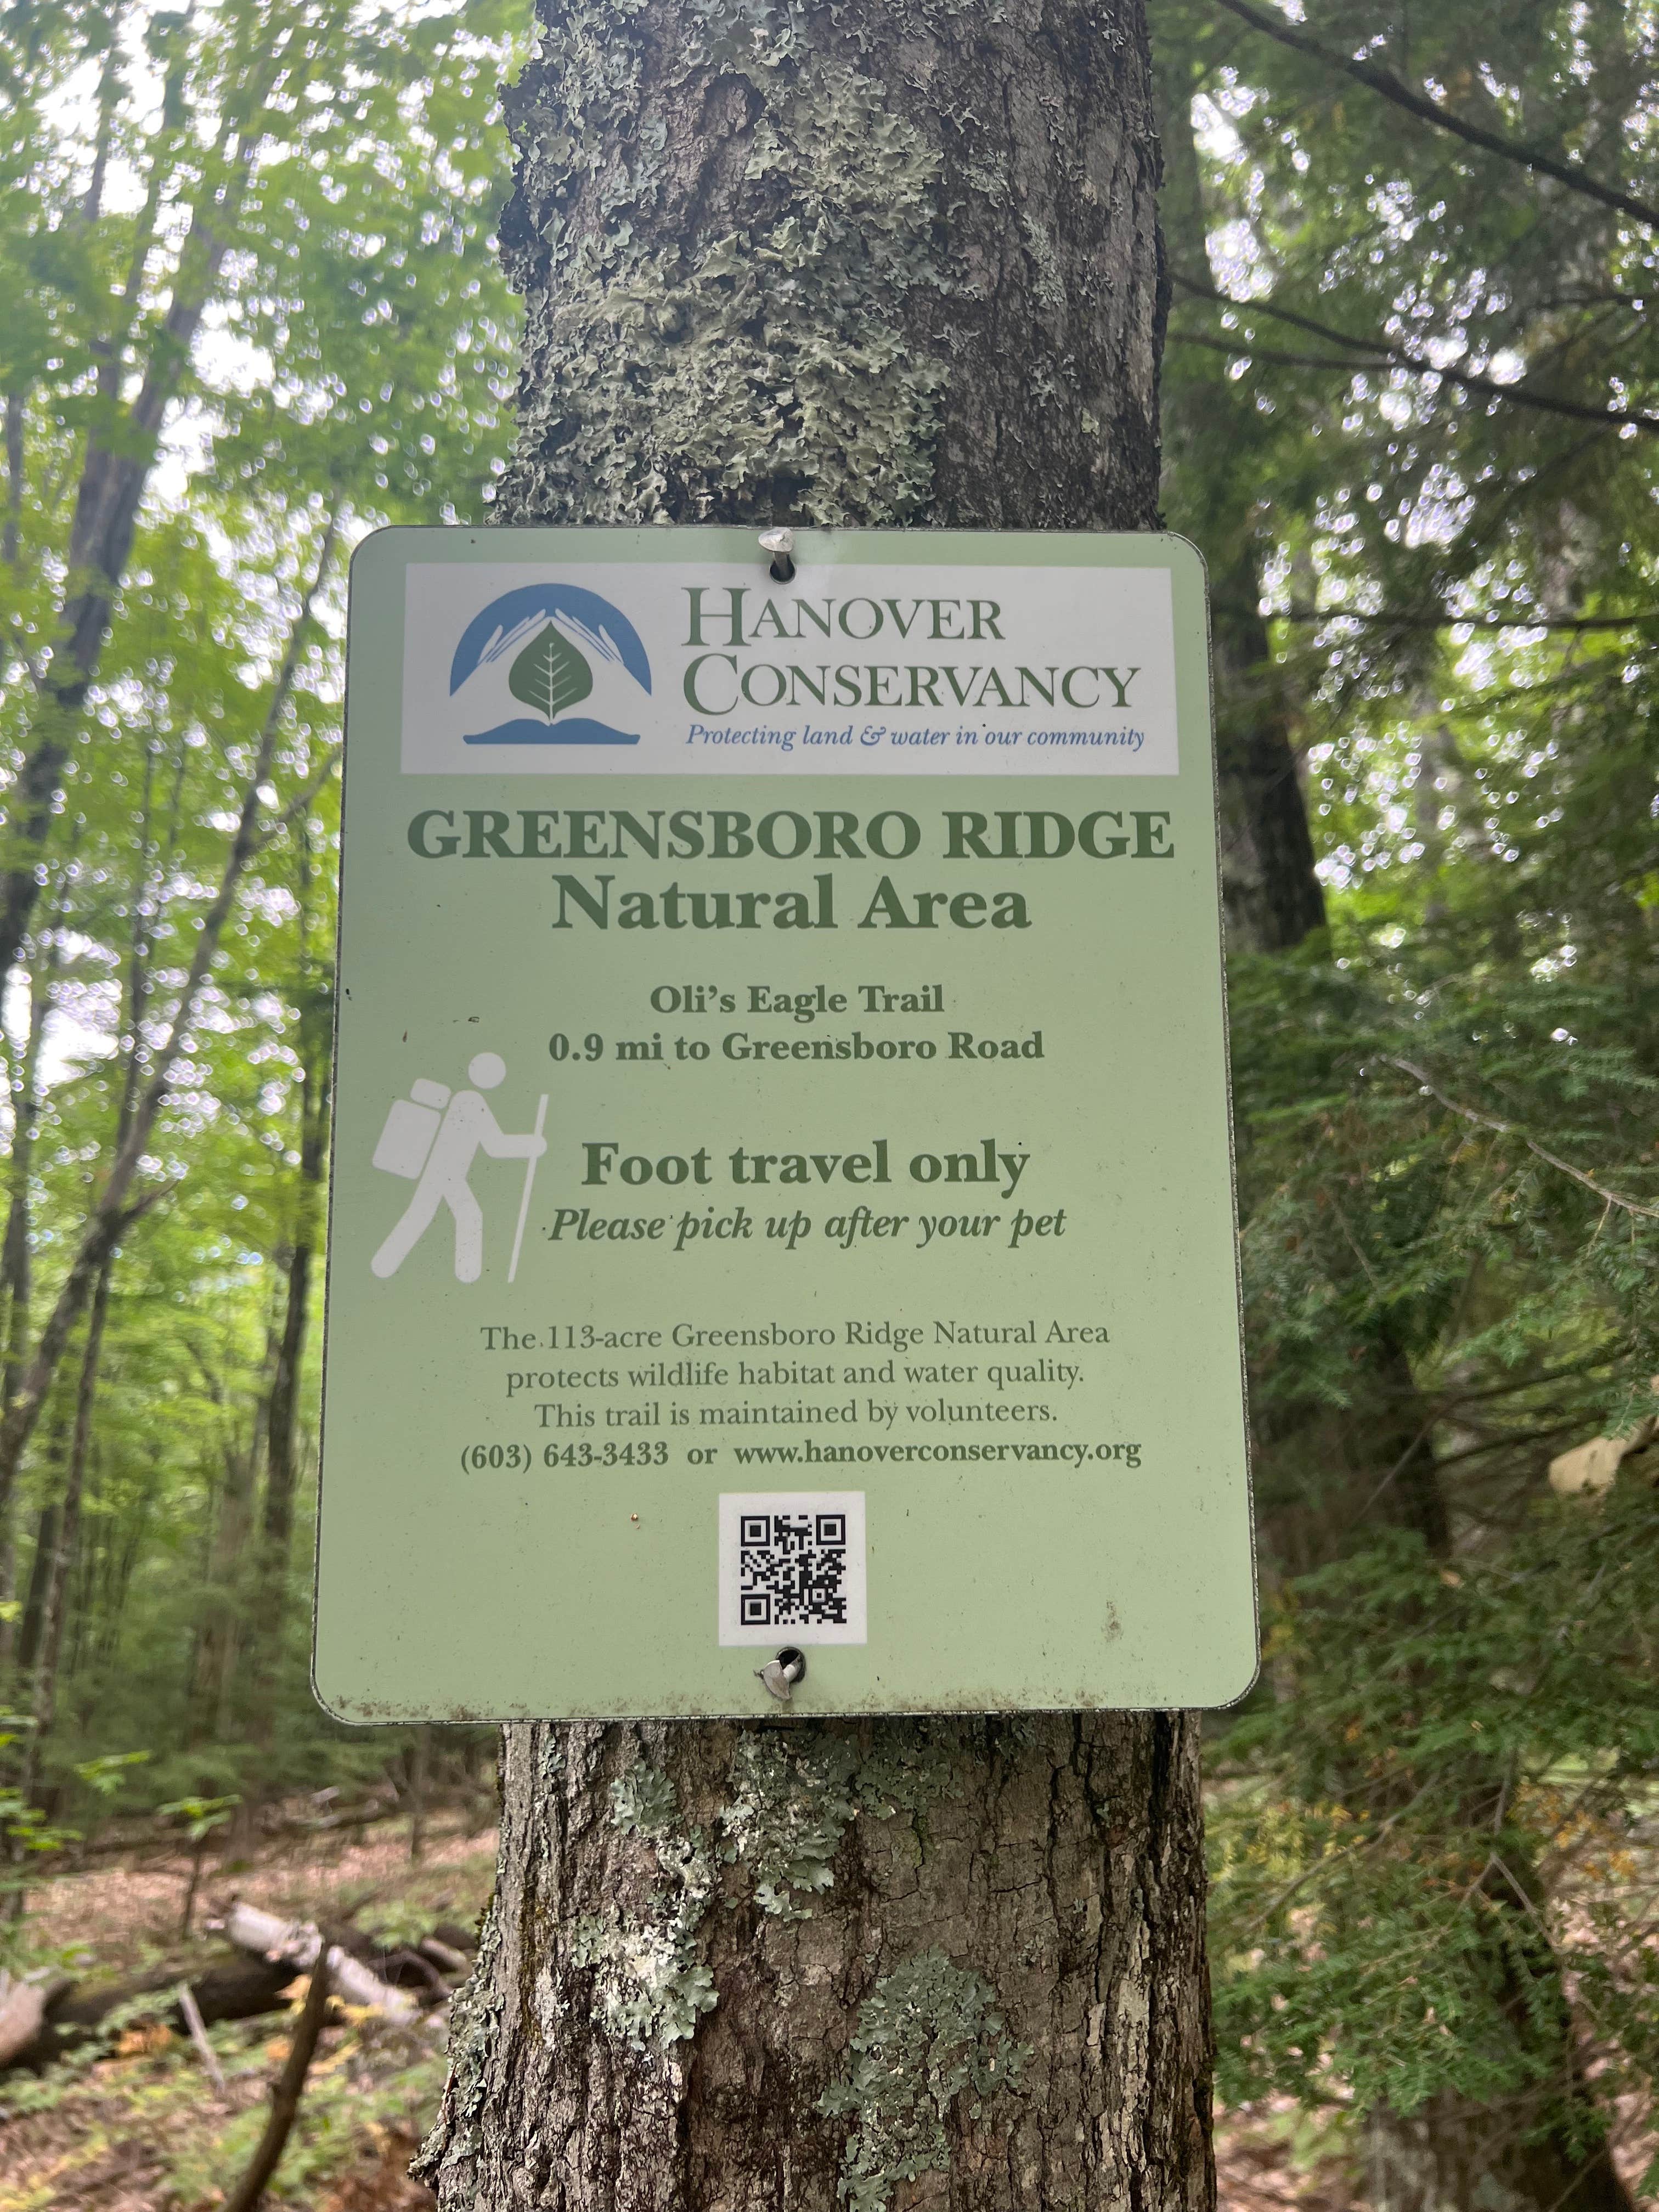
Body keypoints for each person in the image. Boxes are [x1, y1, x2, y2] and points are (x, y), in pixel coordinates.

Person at [371, 1052, 546, 1283]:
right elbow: (495, 1145)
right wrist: (533, 1145)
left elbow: (493, 1145)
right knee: (454, 1214)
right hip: (445, 1172)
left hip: (447, 1173)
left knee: (435, 1214)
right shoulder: (470, 1102)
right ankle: (463, 1275)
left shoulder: (466, 1099)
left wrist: (532, 1145)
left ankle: (389, 1265)